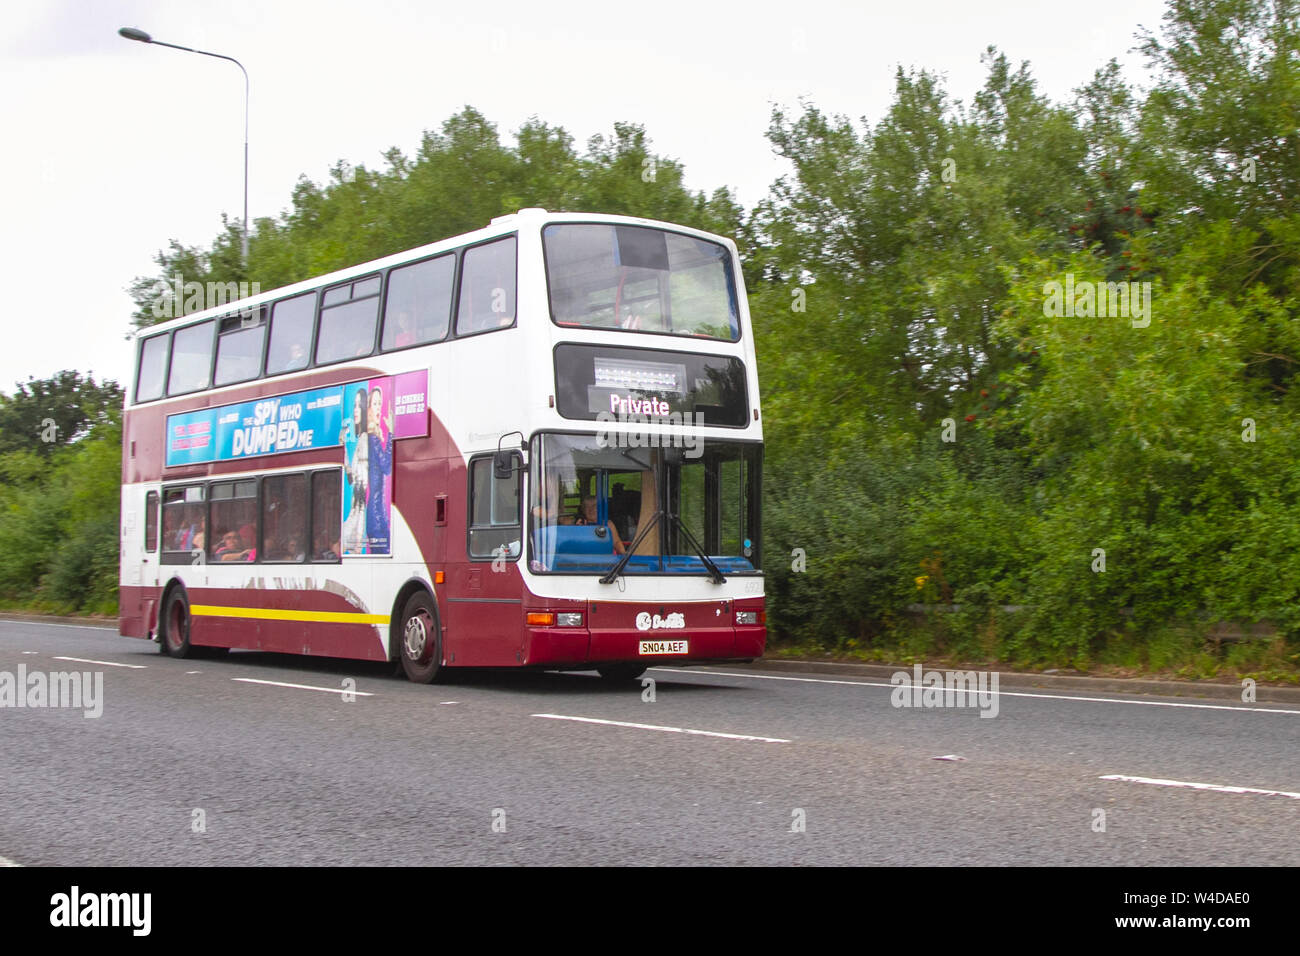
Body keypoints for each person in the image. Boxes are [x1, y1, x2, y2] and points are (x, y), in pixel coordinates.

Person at [365, 385, 394, 552]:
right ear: (368, 407)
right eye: (374, 403)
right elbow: (387, 466)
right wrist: (391, 433)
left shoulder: (373, 436)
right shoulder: (372, 438)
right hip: (376, 516)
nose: (378, 408)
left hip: (379, 513)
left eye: (379, 403)